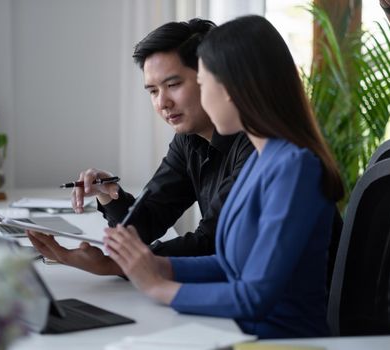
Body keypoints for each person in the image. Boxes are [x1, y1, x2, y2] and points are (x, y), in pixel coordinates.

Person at [101, 15, 345, 339]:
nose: (199, 96)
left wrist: (160, 288)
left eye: (202, 83)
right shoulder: (262, 159)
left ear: (233, 89)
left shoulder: (294, 167)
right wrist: (159, 267)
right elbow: (229, 264)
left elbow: (254, 295)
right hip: (236, 333)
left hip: (278, 341)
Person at [29, 19, 253, 276]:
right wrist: (107, 194)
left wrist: (117, 266)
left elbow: (212, 242)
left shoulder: (254, 144)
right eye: (153, 91)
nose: (163, 103)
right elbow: (146, 222)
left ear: (212, 77)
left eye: (173, 85)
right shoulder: (188, 139)